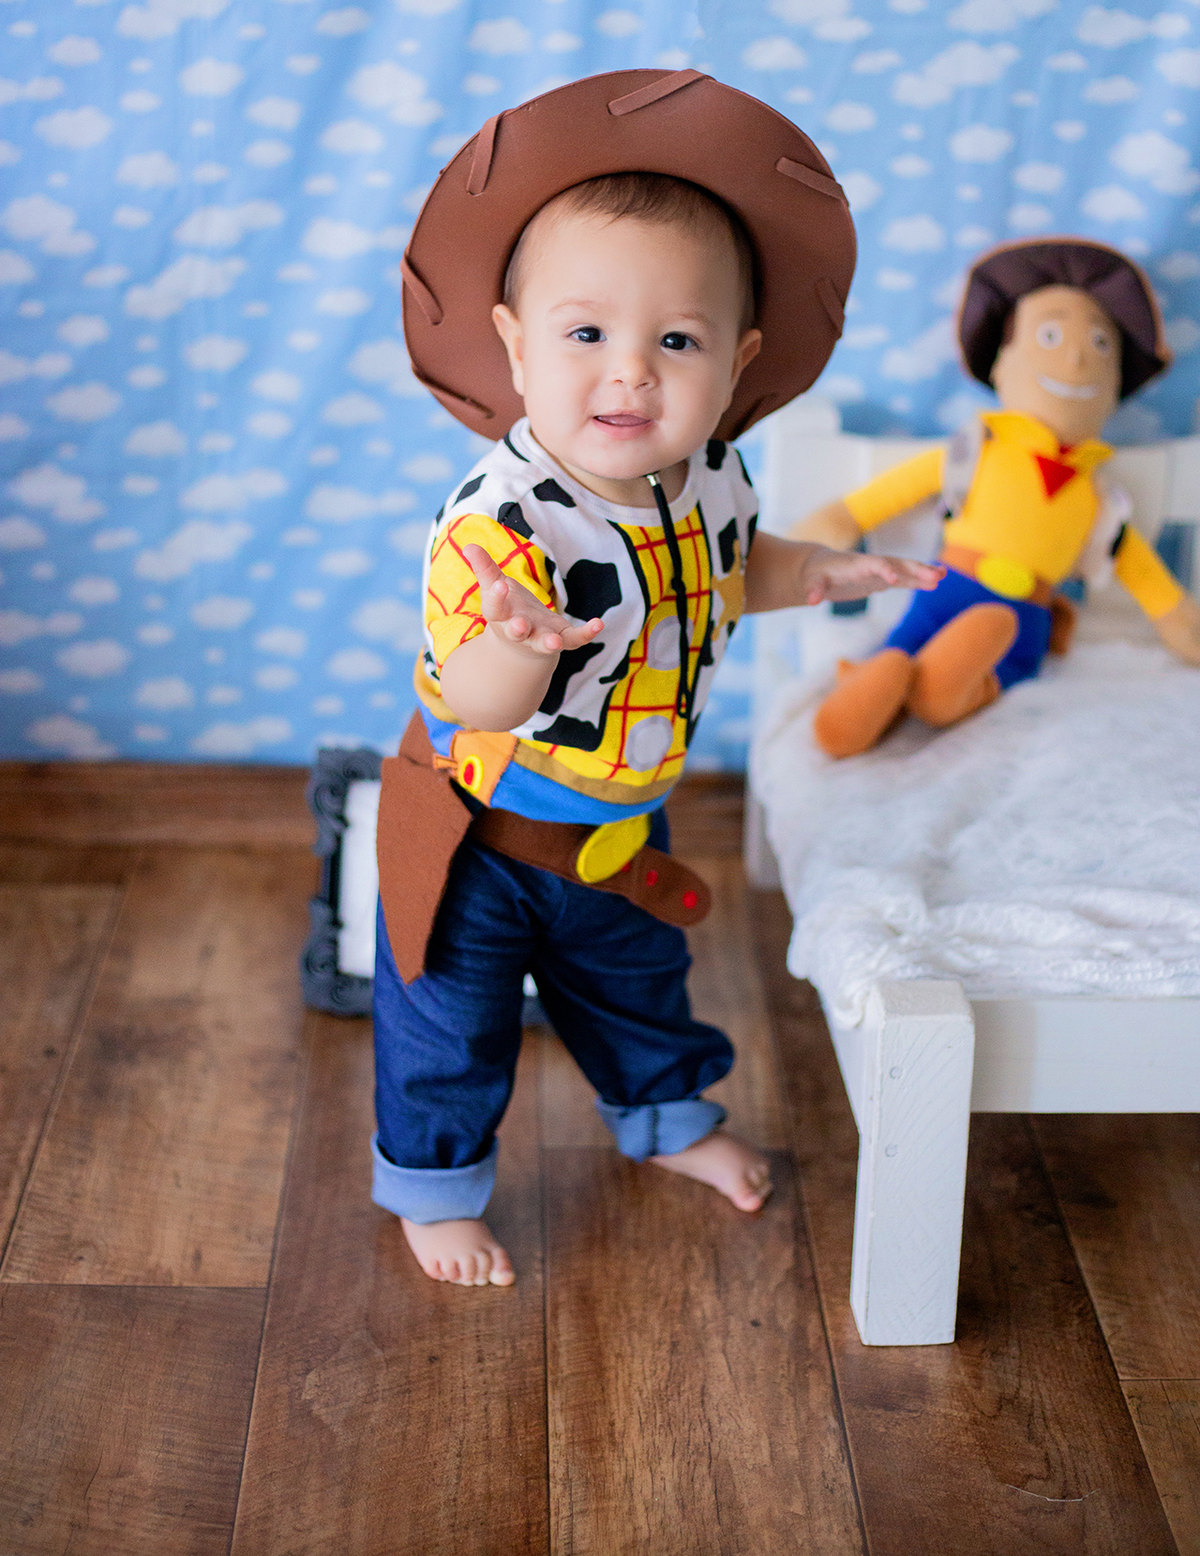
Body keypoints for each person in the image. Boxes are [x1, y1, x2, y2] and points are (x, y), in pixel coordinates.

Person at [373, 71, 941, 1286]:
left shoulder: (713, 480)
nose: (630, 374)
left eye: (674, 342)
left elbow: (733, 570)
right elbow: (471, 696)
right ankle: (433, 1187)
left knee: (638, 983)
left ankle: (669, 1120)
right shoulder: (501, 520)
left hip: (620, 822)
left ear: (733, 365)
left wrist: (820, 572)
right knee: (448, 1026)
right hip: (481, 825)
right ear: (516, 346)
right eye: (586, 335)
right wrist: (515, 648)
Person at [794, 238, 1200, 760]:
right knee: (904, 647)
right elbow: (896, 490)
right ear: (1003, 364)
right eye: (1050, 335)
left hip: (1024, 619)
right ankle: (865, 701)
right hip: (949, 589)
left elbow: (1139, 568)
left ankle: (946, 694)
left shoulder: (1102, 500)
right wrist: (841, 519)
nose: (1076, 356)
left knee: (994, 652)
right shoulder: (974, 451)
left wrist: (1177, 620)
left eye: (1100, 345)